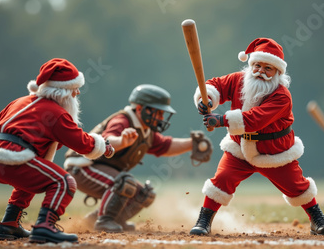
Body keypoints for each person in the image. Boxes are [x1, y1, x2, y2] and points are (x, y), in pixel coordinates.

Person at [190, 38, 324, 236]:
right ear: (250, 65)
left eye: (268, 68)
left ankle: (317, 220)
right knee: (222, 179)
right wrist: (205, 98)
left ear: (277, 72)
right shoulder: (238, 80)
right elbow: (215, 85)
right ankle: (204, 221)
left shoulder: (282, 96)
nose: (260, 71)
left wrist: (221, 120)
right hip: (240, 148)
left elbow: (255, 120)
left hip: (274, 151)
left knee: (297, 186)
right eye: (257, 65)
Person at [0, 58, 115, 243]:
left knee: (34, 174)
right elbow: (81, 142)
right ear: (63, 92)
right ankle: (45, 226)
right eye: (74, 89)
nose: (78, 92)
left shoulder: (19, 102)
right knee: (64, 182)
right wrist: (103, 146)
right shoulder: (56, 113)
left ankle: (9, 223)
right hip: (14, 158)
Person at [63, 84, 212, 233]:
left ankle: (104, 221)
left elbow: (166, 145)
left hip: (100, 169)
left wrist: (192, 144)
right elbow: (106, 140)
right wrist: (122, 141)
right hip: (82, 167)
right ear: (141, 109)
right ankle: (104, 222)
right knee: (124, 182)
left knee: (144, 194)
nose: (161, 118)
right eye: (158, 112)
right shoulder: (123, 120)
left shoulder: (146, 131)